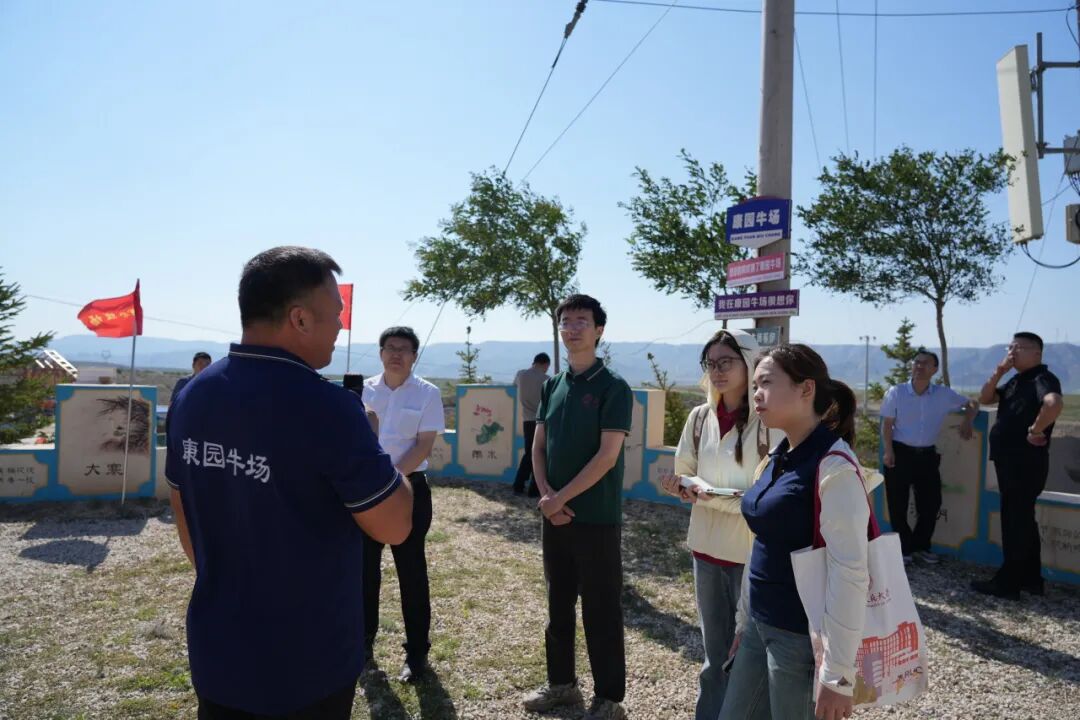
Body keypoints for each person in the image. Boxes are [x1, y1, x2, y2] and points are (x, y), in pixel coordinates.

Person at [166, 246, 413, 720]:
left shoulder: (193, 394)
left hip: (219, 649)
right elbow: (395, 526)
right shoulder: (330, 409)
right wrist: (373, 442)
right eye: (335, 314)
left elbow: (182, 509)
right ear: (300, 319)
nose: (340, 327)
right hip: (308, 661)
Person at [720, 344, 870, 720]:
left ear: (806, 389)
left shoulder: (834, 467)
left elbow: (850, 572)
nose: (756, 393)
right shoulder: (779, 456)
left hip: (800, 639)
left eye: (767, 383)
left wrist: (838, 676)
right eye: (755, 385)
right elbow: (762, 543)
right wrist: (743, 621)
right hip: (758, 624)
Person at [523, 294, 633, 720]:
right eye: (566, 321)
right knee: (558, 604)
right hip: (555, 515)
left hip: (596, 517)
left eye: (581, 321)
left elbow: (607, 456)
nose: (572, 328)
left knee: (601, 609)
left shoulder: (613, 387)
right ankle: (562, 686)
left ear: (599, 330)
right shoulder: (553, 385)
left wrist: (560, 499)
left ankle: (609, 699)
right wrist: (546, 497)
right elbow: (538, 447)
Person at [658, 329, 772, 720]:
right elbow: (685, 471)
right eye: (711, 363)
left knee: (749, 655)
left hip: (750, 555)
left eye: (727, 362)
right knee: (713, 656)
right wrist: (681, 486)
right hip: (705, 551)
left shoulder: (769, 421)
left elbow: (765, 498)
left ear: (750, 363)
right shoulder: (699, 417)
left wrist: (709, 496)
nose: (717, 371)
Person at [361, 326, 446, 682]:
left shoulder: (427, 393)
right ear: (380, 352)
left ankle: (416, 654)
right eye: (390, 347)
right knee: (364, 572)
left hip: (409, 489)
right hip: (364, 494)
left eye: (404, 349)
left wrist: (390, 481)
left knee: (412, 573)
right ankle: (362, 646)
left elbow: (424, 445)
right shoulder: (362, 390)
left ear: (414, 355)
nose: (396, 353)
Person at [972, 331, 1064, 600]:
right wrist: (1000, 371)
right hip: (1011, 461)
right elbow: (985, 398)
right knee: (1023, 519)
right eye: (1010, 347)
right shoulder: (1016, 379)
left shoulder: (1042, 378)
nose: (1012, 352)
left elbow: (1054, 403)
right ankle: (1031, 579)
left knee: (1014, 522)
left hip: (1024, 462)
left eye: (1018, 348)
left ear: (1036, 353)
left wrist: (1036, 429)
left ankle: (1007, 584)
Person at [880, 348, 979, 566]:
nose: (919, 366)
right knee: (897, 503)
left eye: (925, 363)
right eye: (916, 362)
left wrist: (968, 420)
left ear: (934, 369)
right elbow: (887, 425)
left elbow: (972, 403)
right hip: (900, 452)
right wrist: (888, 450)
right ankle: (904, 548)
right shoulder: (896, 392)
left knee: (931, 503)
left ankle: (921, 546)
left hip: (927, 455)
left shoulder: (943, 395)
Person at [513, 352, 551, 496]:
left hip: (527, 420)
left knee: (529, 453)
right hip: (541, 421)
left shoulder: (521, 374)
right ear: (545, 364)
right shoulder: (547, 380)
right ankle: (533, 489)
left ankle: (519, 484)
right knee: (539, 454)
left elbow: (513, 386)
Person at [166, 352, 212, 435]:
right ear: (193, 365)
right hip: (184, 424)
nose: (204, 367)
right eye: (200, 363)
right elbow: (172, 405)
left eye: (207, 364)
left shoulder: (212, 384)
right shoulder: (184, 382)